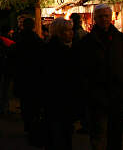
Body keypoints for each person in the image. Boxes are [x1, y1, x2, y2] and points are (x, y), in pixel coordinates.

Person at [78, 4, 123, 150]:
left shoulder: (121, 39)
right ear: (95, 19)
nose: (104, 19)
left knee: (116, 134)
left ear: (111, 17)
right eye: (100, 16)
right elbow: (81, 70)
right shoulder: (87, 42)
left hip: (117, 96)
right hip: (97, 97)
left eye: (106, 16)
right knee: (99, 134)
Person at [12, 17, 44, 146]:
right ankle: (34, 126)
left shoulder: (19, 40)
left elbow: (14, 58)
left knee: (25, 103)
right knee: (34, 104)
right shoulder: (38, 41)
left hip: (23, 76)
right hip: (35, 77)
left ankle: (28, 125)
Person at [43, 18, 75, 150]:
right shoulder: (58, 51)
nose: (71, 33)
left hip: (58, 101)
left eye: (71, 30)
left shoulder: (56, 48)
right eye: (68, 31)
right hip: (59, 100)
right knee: (60, 135)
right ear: (59, 33)